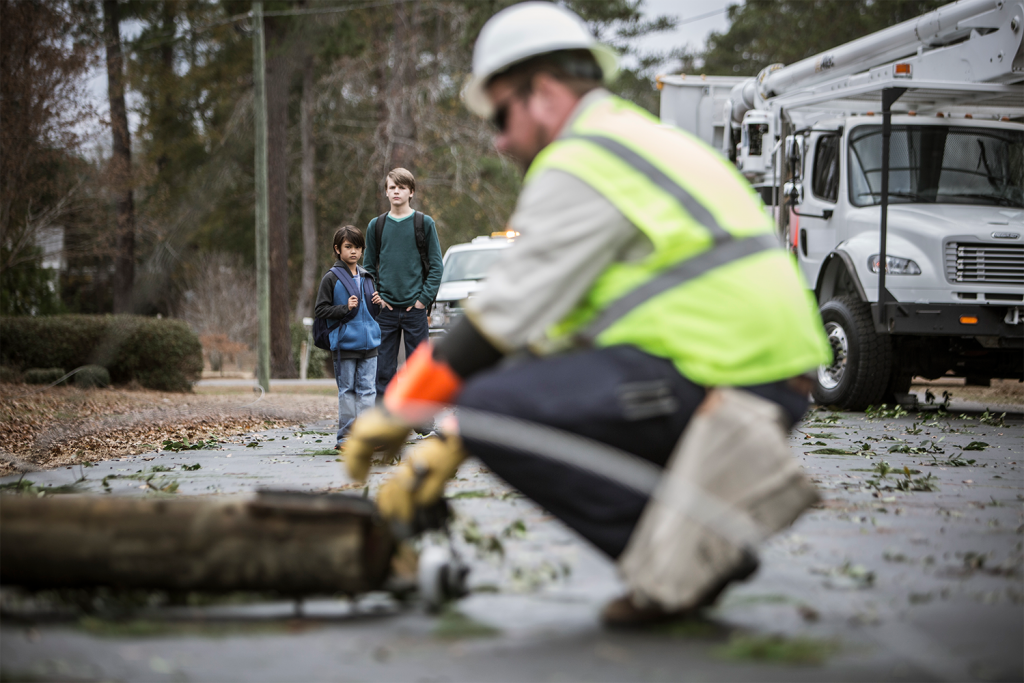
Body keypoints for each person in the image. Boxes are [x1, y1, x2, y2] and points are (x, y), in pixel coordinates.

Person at [343, 1, 832, 626]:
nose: (496, 138)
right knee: (498, 406)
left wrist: (399, 411)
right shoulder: (638, 139)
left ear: (542, 93)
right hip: (762, 371)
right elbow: (553, 341)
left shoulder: (580, 159)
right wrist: (456, 444)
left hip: (729, 377)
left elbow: (499, 321)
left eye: (499, 115)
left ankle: (689, 553)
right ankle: (694, 536)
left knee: (491, 404)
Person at [363, 168, 443, 397]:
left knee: (420, 370)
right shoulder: (376, 226)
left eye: (402, 187)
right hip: (384, 311)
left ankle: (421, 419)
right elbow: (368, 268)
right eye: (392, 187)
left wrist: (422, 301)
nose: (396, 191)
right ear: (386, 192)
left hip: (415, 311)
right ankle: (385, 422)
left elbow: (437, 266)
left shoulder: (424, 223)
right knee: (383, 371)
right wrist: (376, 296)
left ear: (411, 192)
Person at [314, 225, 383, 448]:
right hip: (344, 345)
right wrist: (344, 308)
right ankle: (345, 438)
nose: (353, 251)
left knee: (368, 391)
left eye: (358, 247)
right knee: (347, 392)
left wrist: (378, 305)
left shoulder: (367, 276)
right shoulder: (331, 279)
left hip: (370, 344)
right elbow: (320, 311)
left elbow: (371, 314)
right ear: (337, 249)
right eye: (348, 246)